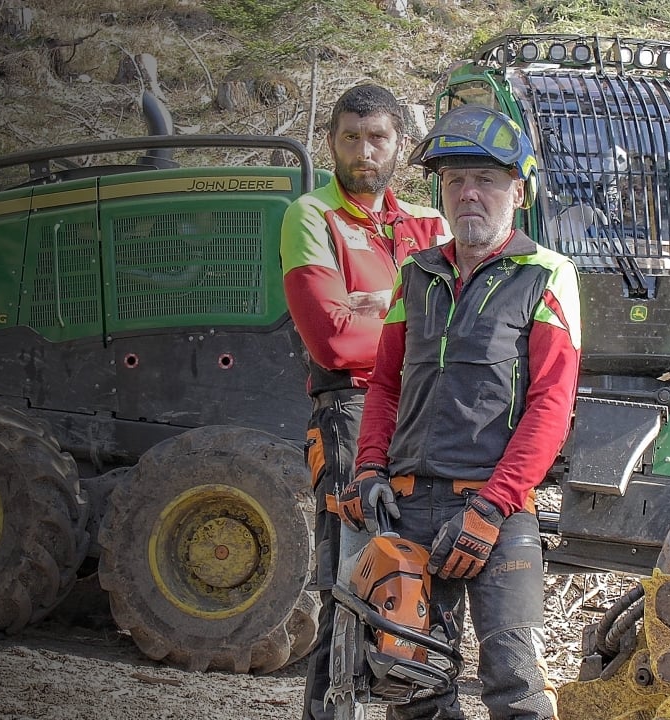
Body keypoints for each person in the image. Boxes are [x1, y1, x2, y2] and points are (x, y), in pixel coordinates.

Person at [340, 105, 581, 720]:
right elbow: (386, 385)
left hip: (498, 512)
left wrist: (493, 506)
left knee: (514, 683)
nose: (469, 192)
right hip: (411, 505)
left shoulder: (547, 275)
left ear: (518, 190)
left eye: (486, 179)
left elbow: (551, 404)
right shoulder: (415, 275)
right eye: (455, 180)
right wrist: (370, 467)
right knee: (412, 686)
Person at [280, 83, 451, 720]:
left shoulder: (431, 224)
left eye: (377, 137)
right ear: (331, 142)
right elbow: (333, 342)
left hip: (428, 417)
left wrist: (376, 307)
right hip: (349, 414)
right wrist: (412, 325)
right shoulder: (311, 217)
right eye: (349, 137)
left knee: (424, 581)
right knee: (354, 584)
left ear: (400, 145)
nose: (363, 151)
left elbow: (464, 328)